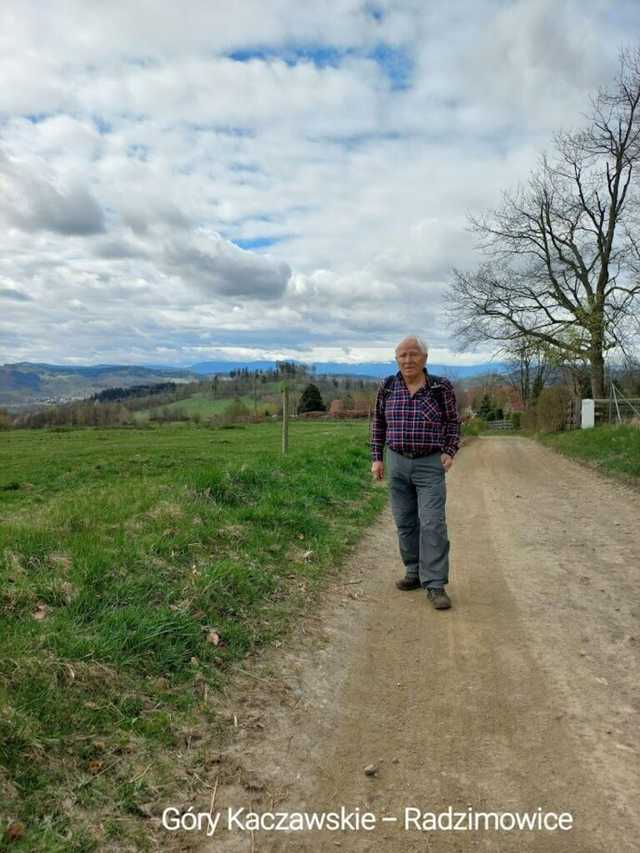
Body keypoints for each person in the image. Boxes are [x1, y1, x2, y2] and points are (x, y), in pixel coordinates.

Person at [370, 335, 461, 610]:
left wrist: (449, 450)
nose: (408, 360)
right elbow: (378, 424)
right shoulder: (387, 387)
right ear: (396, 359)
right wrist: (377, 458)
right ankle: (413, 571)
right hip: (397, 462)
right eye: (402, 355)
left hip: (429, 464)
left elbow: (453, 422)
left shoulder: (439, 387)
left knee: (432, 523)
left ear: (425, 358)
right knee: (405, 522)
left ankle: (435, 585)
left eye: (413, 354)